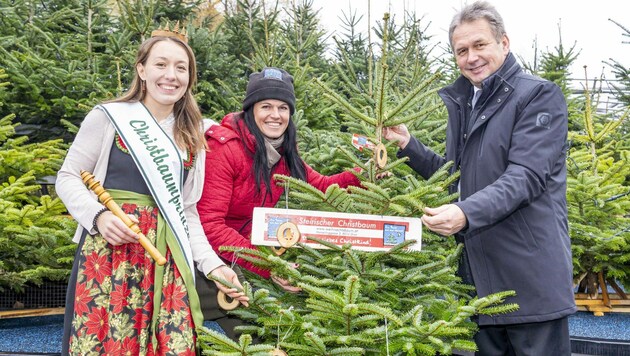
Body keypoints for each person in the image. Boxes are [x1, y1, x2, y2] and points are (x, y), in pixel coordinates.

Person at [383, 1, 576, 355]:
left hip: (527, 279)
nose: (471, 57)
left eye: (479, 45)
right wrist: (408, 146)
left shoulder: (537, 95)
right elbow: (458, 177)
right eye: (461, 50)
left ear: (504, 42)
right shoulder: (467, 102)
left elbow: (526, 176)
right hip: (476, 282)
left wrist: (465, 214)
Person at [56, 30, 248, 355]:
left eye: (181, 68)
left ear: (190, 77)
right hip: (111, 256)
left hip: (169, 261)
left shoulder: (193, 135)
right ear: (142, 70)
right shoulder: (108, 118)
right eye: (161, 64)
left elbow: (186, 211)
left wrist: (214, 266)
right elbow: (68, 177)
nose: (171, 75)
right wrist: (98, 216)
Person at [195, 67, 363, 338]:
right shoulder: (225, 149)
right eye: (266, 106)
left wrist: (363, 177)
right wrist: (268, 265)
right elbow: (209, 225)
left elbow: (321, 186)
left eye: (283, 108)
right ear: (251, 109)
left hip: (245, 251)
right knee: (243, 327)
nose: (276, 115)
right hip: (208, 258)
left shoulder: (281, 153)